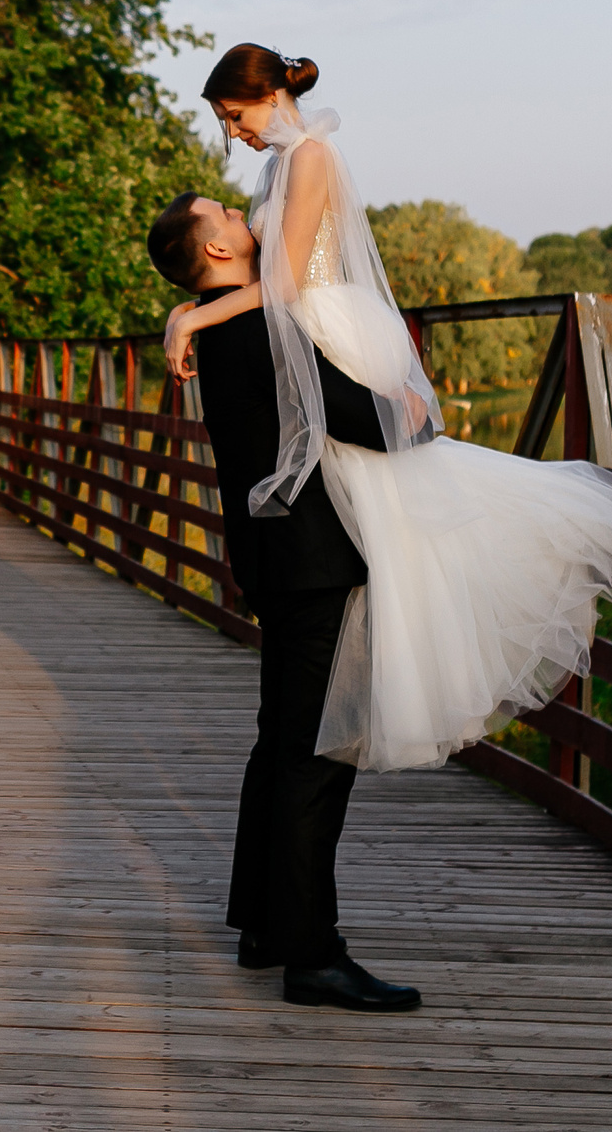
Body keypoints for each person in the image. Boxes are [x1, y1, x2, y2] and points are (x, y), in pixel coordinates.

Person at [162, 43, 612, 776]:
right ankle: (364, 631)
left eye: (233, 116)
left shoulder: (309, 157)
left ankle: (398, 635)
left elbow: (287, 283)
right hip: (305, 326)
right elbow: (259, 273)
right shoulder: (277, 164)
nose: (232, 134)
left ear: (267, 96)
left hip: (324, 319)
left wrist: (191, 318)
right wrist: (194, 307)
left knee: (400, 491)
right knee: (377, 501)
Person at [143, 189, 423, 1013]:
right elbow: (337, 413)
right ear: (219, 252)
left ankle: (264, 926)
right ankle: (314, 955)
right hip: (312, 563)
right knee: (316, 754)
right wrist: (410, 414)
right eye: (226, 216)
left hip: (276, 561)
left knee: (279, 745)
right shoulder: (253, 326)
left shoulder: (217, 319)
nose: (244, 215)